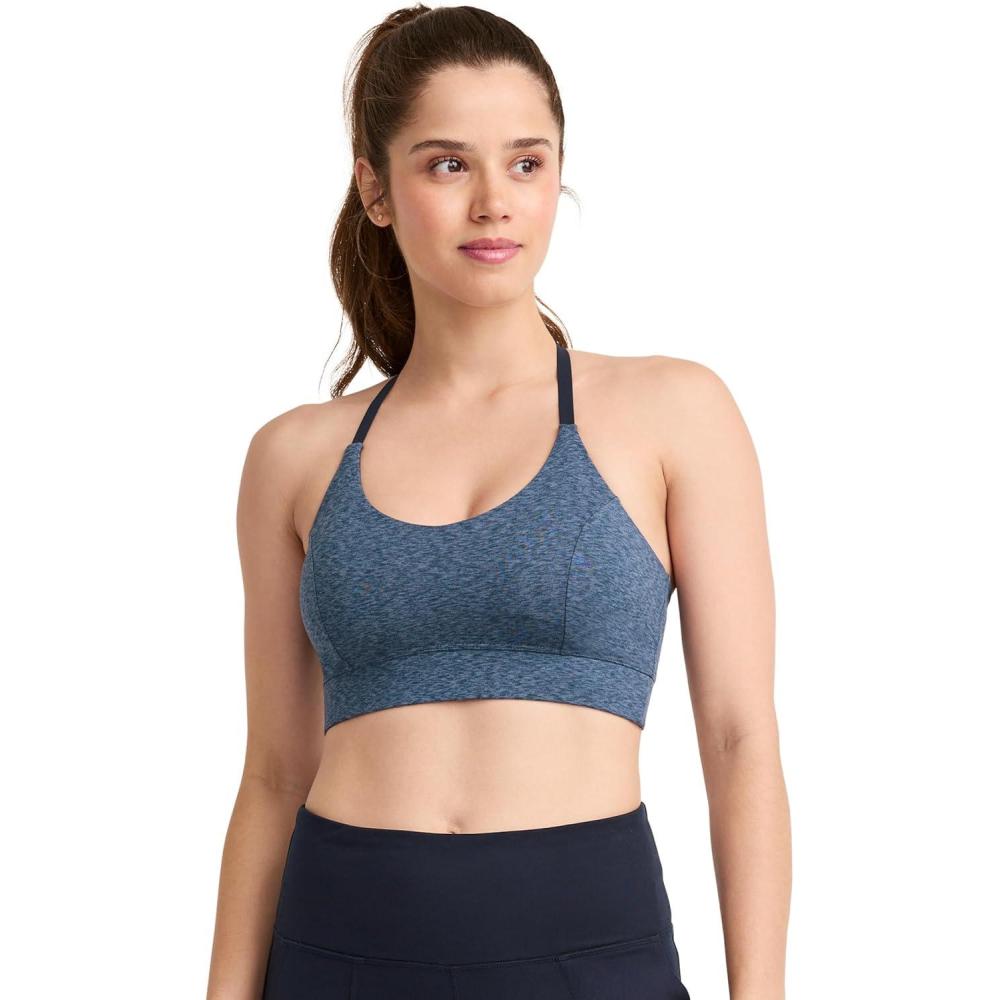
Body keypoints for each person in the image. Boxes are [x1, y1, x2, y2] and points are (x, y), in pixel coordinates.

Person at [206, 6, 791, 999]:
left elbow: (739, 740)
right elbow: (271, 774)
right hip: (336, 950)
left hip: (589, 952)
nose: (494, 203)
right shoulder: (294, 456)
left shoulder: (671, 412)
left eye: (525, 163)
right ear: (374, 189)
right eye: (447, 165)